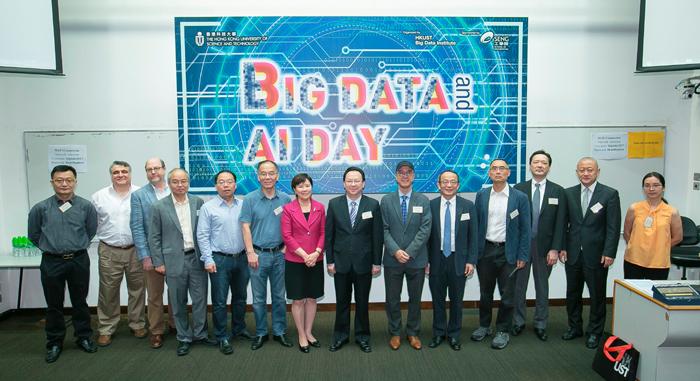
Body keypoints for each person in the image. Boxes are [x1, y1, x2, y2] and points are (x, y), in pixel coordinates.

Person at [28, 165, 98, 363]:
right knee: (54, 305)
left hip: (78, 260)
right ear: (52, 183)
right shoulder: (40, 208)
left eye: (69, 180)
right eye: (59, 180)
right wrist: (51, 247)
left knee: (80, 302)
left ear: (75, 181)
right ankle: (54, 342)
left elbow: (90, 230)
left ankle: (83, 337)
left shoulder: (86, 206)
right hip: (52, 261)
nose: (64, 184)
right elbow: (33, 235)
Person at [148, 168, 212, 356]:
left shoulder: (198, 202)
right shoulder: (159, 207)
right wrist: (158, 262)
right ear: (169, 183)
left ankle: (200, 334)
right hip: (173, 260)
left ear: (188, 183)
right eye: (175, 181)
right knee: (178, 301)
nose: (180, 185)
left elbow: (204, 231)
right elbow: (154, 237)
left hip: (196, 258)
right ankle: (184, 337)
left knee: (200, 299)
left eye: (183, 181)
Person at [561, 157, 621, 349]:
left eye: (589, 170)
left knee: (596, 296)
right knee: (572, 294)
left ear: (597, 172)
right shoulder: (568, 193)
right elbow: (563, 224)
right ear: (577, 172)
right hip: (572, 254)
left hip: (597, 255)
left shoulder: (609, 194)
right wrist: (562, 247)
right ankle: (574, 327)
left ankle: (595, 332)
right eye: (581, 170)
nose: (585, 173)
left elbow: (613, 227)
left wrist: (609, 252)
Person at [472, 159, 531, 350]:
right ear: (489, 173)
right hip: (486, 251)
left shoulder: (519, 197)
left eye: (502, 169)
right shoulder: (481, 195)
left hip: (509, 252)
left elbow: (525, 230)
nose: (498, 171)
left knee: (508, 294)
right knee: (485, 292)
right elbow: (477, 227)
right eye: (494, 169)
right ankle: (484, 325)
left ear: (508, 173)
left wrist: (523, 255)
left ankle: (503, 330)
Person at [326, 167, 383, 353]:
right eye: (349, 181)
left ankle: (363, 337)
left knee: (362, 302)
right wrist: (330, 260)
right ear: (344, 183)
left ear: (363, 183)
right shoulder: (334, 204)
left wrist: (376, 262)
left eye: (356, 180)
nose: (353, 184)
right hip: (340, 262)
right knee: (342, 302)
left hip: (364, 263)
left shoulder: (373, 205)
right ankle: (340, 336)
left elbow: (377, 236)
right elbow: (329, 235)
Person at [196, 170, 253, 356]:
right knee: (219, 301)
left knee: (240, 297)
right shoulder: (208, 207)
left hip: (242, 258)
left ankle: (239, 329)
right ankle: (221, 336)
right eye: (222, 182)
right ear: (216, 186)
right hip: (218, 259)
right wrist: (208, 259)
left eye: (229, 182)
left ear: (235, 185)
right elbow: (202, 235)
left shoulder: (244, 205)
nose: (226, 185)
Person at [512, 150, 566, 341]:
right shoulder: (518, 189)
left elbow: (561, 222)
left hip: (546, 248)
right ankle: (518, 321)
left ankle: (541, 323)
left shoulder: (558, 191)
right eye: (536, 162)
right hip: (522, 247)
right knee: (519, 286)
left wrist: (555, 248)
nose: (540, 165)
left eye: (544, 163)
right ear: (530, 165)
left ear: (549, 167)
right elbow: (513, 221)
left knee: (542, 287)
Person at [92, 160, 146, 347]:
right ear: (111, 175)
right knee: (108, 291)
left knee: (137, 290)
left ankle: (137, 323)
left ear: (130, 173)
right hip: (109, 250)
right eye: (116, 172)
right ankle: (106, 328)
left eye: (124, 171)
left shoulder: (141, 193)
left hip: (136, 249)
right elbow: (93, 223)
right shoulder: (99, 196)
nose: (120, 175)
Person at [240, 160, 294, 350]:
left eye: (271, 173)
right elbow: (245, 226)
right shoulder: (249, 199)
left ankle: (279, 331)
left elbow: (291, 225)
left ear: (277, 175)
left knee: (280, 297)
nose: (267, 177)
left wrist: (287, 246)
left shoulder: (286, 199)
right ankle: (261, 332)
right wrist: (250, 252)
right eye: (263, 173)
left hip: (280, 255)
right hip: (258, 256)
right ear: (258, 176)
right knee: (258, 299)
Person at [380, 160, 432, 350]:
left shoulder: (423, 200)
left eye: (408, 172)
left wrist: (409, 252)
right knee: (392, 299)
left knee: (415, 298)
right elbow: (383, 229)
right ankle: (395, 333)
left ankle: (412, 332)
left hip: (416, 259)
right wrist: (396, 251)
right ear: (395, 176)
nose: (404, 175)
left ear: (414, 176)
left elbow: (425, 229)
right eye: (400, 172)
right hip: (393, 259)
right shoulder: (386, 200)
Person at [427, 170, 477, 351]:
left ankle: (454, 334)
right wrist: (426, 261)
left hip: (459, 260)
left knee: (457, 300)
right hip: (436, 259)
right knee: (437, 300)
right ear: (438, 185)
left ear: (458, 185)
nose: (449, 185)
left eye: (453, 182)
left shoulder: (468, 206)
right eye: (445, 182)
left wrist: (471, 260)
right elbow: (425, 237)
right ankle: (439, 332)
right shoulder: (430, 206)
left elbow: (474, 236)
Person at [130, 157, 175, 349]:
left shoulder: (176, 189)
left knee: (176, 293)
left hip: (175, 253)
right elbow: (137, 228)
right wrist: (145, 256)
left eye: (157, 168)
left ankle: (176, 324)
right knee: (155, 296)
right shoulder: (139, 195)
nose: (153, 172)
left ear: (164, 169)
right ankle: (156, 331)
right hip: (153, 255)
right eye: (149, 169)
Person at [280, 173, 325, 353]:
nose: (304, 189)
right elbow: (287, 236)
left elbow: (323, 233)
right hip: (295, 260)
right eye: (300, 186)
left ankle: (309, 332)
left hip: (316, 259)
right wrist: (304, 255)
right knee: (298, 299)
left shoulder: (320, 208)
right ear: (294, 189)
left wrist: (315, 253)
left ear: (311, 187)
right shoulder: (288, 209)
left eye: (307, 185)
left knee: (312, 297)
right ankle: (301, 334)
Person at [623, 172, 682, 280]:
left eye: (656, 185)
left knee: (654, 296)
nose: (651, 189)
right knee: (633, 294)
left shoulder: (672, 211)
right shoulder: (634, 208)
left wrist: (661, 247)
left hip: (659, 262)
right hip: (634, 260)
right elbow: (626, 232)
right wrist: (635, 246)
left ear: (663, 188)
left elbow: (678, 237)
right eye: (647, 185)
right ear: (643, 188)